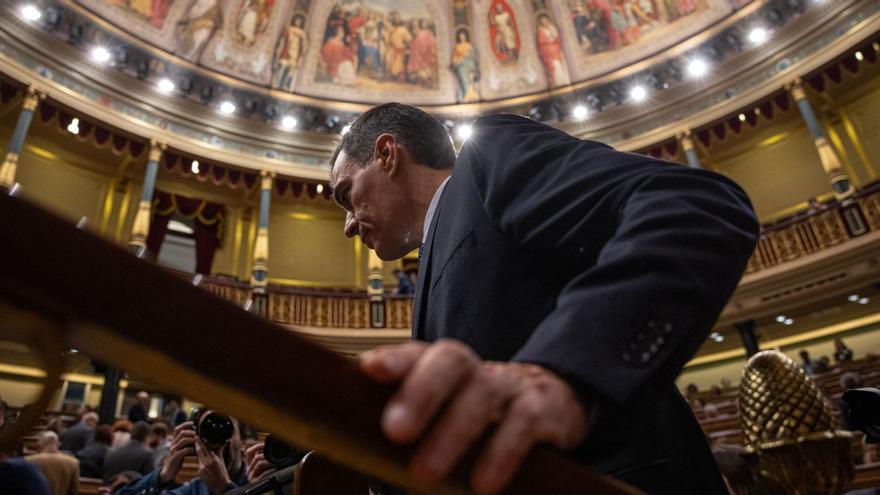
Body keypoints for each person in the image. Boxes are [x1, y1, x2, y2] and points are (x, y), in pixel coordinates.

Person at [328, 103, 758, 494]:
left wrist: (567, 375)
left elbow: (693, 205)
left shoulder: (485, 159)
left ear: (387, 154)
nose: (347, 225)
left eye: (347, 194)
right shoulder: (429, 258)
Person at [114, 415, 269, 495]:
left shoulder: (260, 484)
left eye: (226, 429)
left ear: (243, 443)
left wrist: (225, 489)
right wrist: (163, 476)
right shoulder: (193, 489)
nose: (219, 441)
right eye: (209, 431)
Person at [25, 431, 79, 495]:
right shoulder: (73, 462)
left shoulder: (29, 461)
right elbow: (74, 490)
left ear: (40, 443)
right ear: (58, 444)